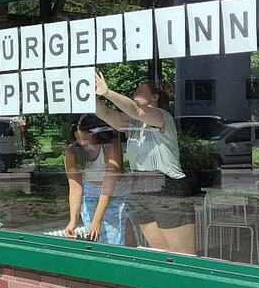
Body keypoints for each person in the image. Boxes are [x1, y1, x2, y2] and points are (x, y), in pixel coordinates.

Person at [93, 72, 196, 255]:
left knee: (183, 254)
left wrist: (107, 92)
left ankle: (192, 283)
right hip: (140, 184)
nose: (134, 93)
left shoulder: (162, 116)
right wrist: (86, 95)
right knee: (160, 251)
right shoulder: (133, 123)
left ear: (155, 97)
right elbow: (108, 114)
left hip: (167, 186)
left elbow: (136, 110)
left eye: (140, 90)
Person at [64, 114, 125, 245]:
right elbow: (75, 187)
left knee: (117, 240)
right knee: (96, 239)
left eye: (88, 137)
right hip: (89, 195)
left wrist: (97, 220)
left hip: (112, 194)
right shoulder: (72, 152)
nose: (84, 142)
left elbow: (109, 183)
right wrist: (73, 221)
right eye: (81, 136)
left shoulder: (110, 145)